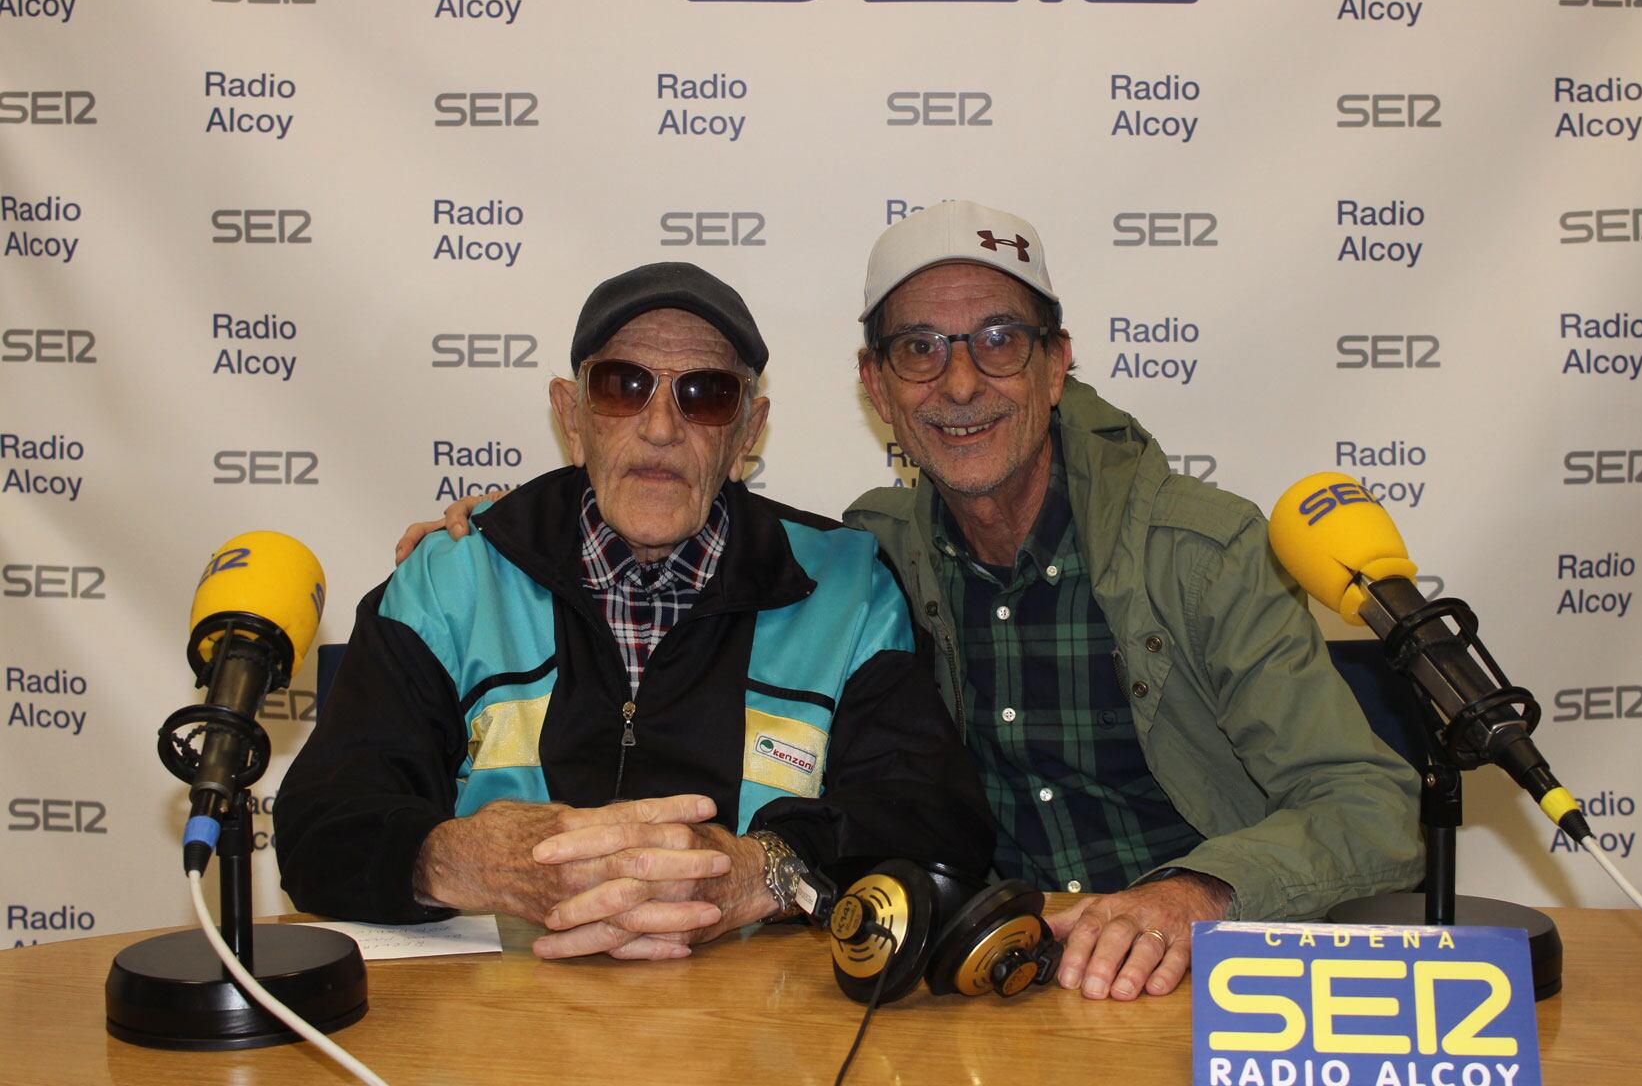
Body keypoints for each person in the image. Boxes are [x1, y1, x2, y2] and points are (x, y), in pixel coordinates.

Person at [401, 206, 1423, 998]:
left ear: (1057, 364)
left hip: (1194, 982)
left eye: (999, 340)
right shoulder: (870, 552)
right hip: (986, 982)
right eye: (920, 350)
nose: (960, 383)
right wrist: (525, 525)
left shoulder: (1201, 550)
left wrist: (1195, 896)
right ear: (877, 387)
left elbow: (1369, 804)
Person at [279, 262, 992, 962]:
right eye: (623, 387)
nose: (659, 427)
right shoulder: (452, 578)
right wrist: (469, 861)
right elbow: (321, 826)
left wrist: (764, 871)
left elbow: (931, 819)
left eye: (705, 395)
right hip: (501, 1013)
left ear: (746, 434)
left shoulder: (847, 587)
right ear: (572, 418)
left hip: (755, 1021)